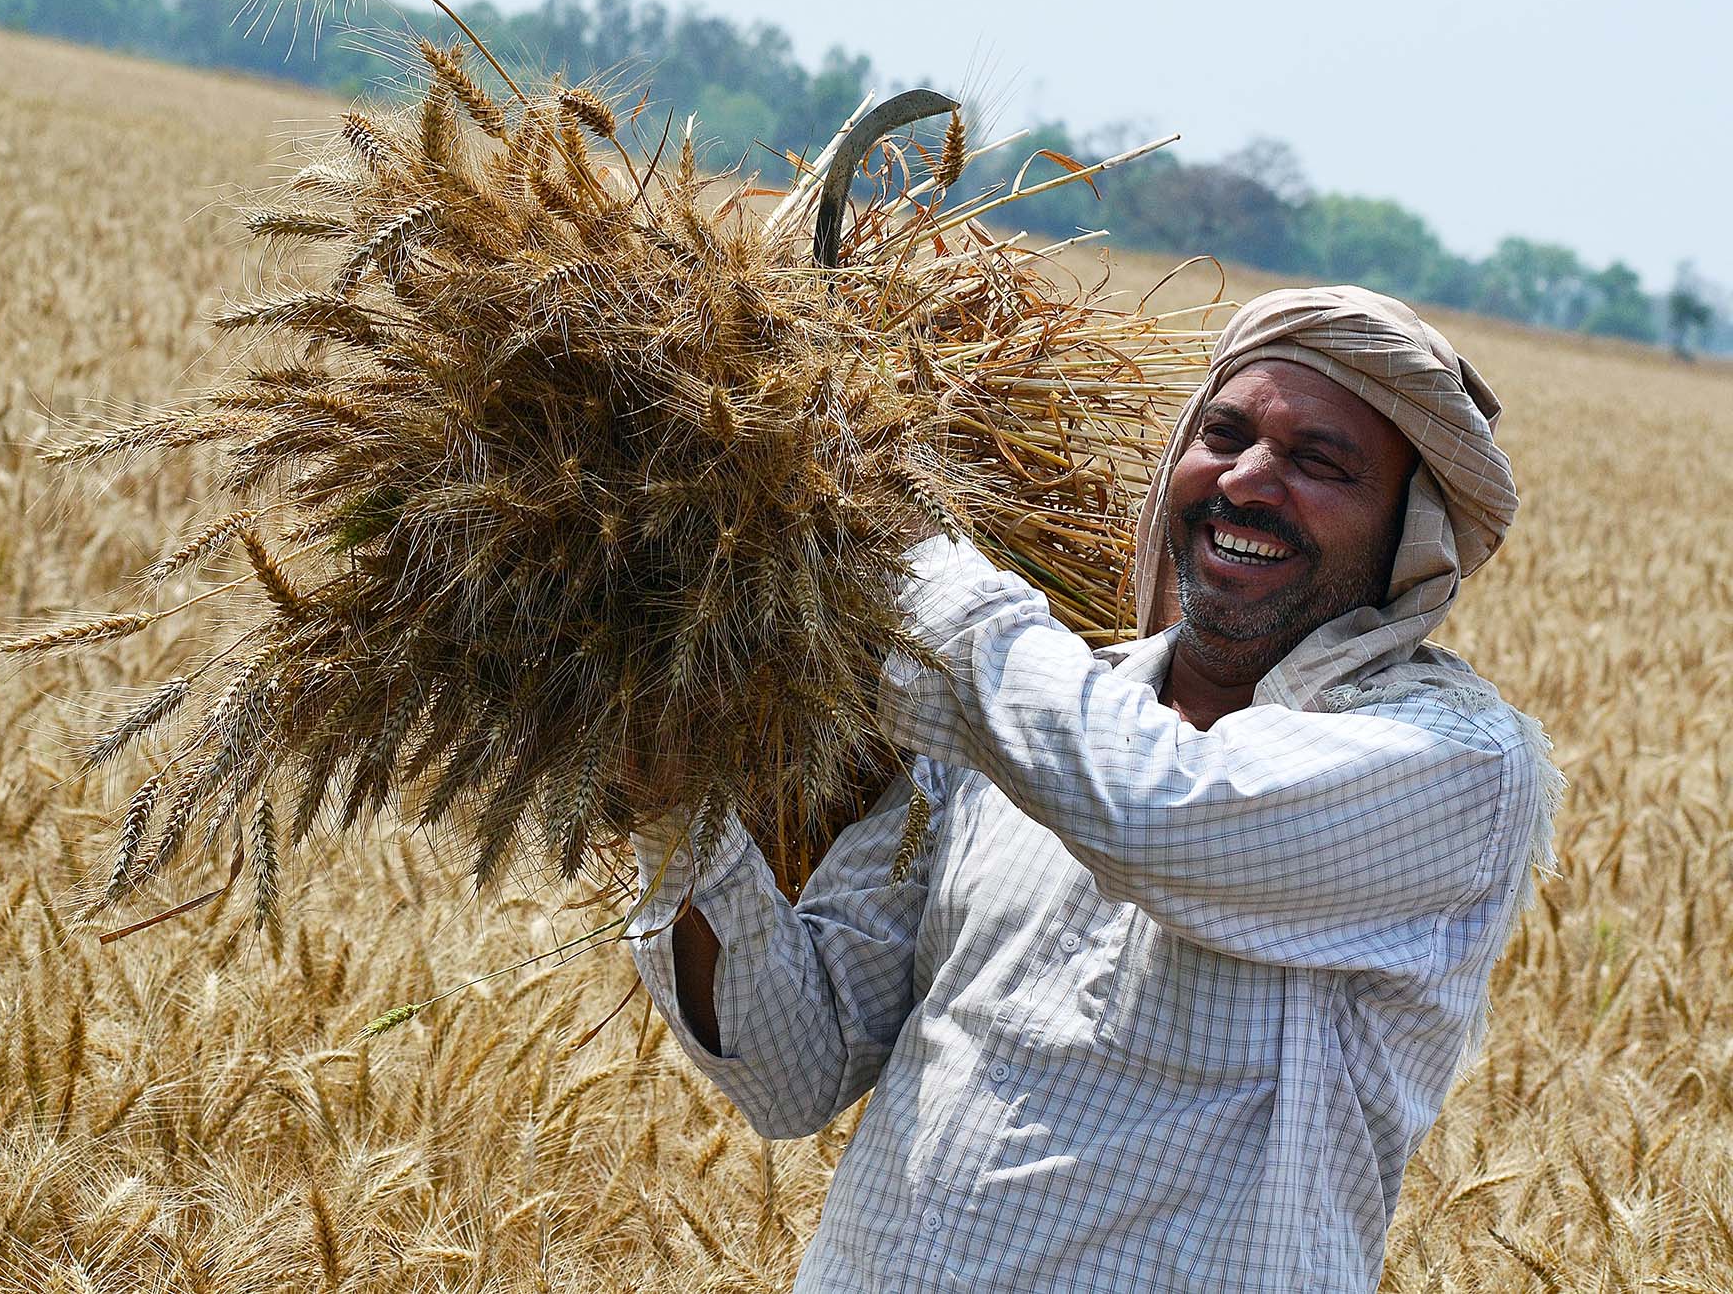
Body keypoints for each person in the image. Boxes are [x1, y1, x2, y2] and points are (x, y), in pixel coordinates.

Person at [626, 286, 1563, 1292]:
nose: (1246, 480)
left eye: (1317, 462)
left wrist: (892, 543)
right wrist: (673, 799)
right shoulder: (1018, 729)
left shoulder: (1450, 763)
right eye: (1223, 432)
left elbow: (1164, 812)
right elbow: (789, 1071)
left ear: (1408, 540)